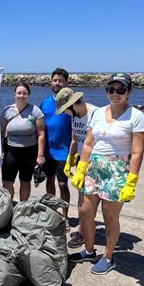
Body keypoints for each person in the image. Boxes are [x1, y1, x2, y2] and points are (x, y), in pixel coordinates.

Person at [69, 73, 144, 275]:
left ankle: (108, 256)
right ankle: (89, 250)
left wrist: (131, 180)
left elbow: (138, 151)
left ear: (128, 92)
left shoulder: (136, 116)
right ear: (106, 91)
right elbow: (88, 143)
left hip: (117, 169)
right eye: (111, 89)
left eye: (121, 89)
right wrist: (81, 168)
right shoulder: (97, 113)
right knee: (85, 212)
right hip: (94, 166)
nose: (115, 93)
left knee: (109, 216)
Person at [55, 87, 98, 248]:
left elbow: (97, 142)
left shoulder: (95, 113)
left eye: (64, 110)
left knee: (86, 204)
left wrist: (83, 167)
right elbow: (75, 139)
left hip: (93, 163)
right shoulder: (75, 115)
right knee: (83, 201)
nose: (64, 114)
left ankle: (83, 234)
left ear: (71, 105)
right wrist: (70, 158)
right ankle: (83, 229)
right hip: (81, 160)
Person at [1, 82, 46, 201]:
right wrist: (0, 150)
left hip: (29, 152)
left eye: (24, 93)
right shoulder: (6, 111)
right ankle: (8, 206)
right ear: (14, 94)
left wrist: (40, 155)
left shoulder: (35, 111)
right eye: (19, 93)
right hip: (11, 150)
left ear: (29, 95)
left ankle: (23, 207)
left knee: (25, 181)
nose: (21, 96)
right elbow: (1, 132)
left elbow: (41, 134)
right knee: (7, 182)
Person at [40, 68, 72, 228]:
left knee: (63, 185)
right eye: (55, 80)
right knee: (50, 181)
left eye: (60, 80)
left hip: (64, 152)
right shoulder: (45, 102)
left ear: (66, 83)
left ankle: (65, 216)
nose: (57, 83)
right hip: (47, 151)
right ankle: (52, 213)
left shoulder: (72, 103)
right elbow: (39, 128)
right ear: (50, 82)